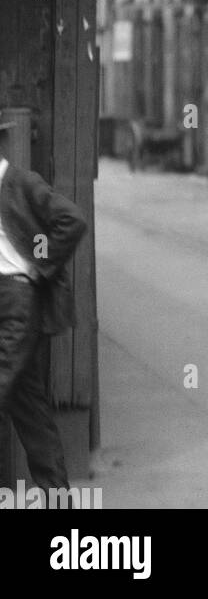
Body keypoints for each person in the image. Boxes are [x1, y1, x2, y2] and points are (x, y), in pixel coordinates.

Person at [0, 119, 88, 495]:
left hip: (19, 301)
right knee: (30, 408)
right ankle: (57, 499)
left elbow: (72, 220)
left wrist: (41, 264)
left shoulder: (22, 183)